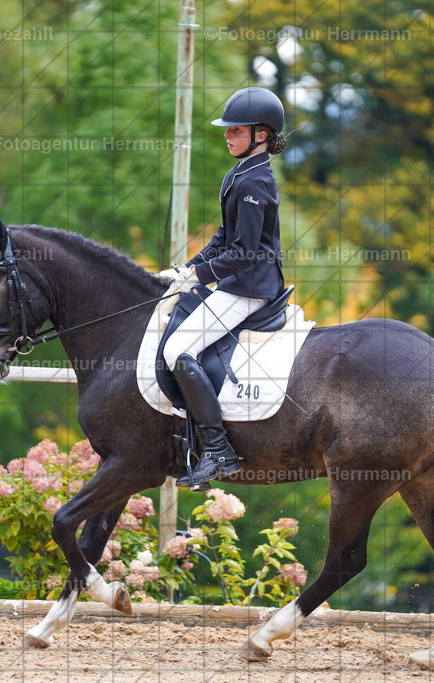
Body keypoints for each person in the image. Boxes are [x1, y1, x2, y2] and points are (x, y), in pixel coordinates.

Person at [159, 86, 289, 488]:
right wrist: (186, 268)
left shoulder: (255, 182)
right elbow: (223, 238)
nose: (227, 136)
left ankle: (218, 450)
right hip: (235, 280)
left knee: (177, 350)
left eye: (235, 130)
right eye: (227, 130)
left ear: (260, 135)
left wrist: (200, 276)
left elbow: (246, 253)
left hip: (250, 286)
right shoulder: (239, 172)